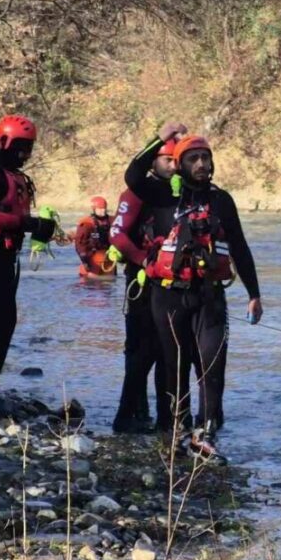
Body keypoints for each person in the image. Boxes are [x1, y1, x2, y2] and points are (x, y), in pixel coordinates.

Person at [124, 123, 262, 463]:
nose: (201, 164)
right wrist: (159, 137)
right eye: (194, 158)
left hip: (210, 296)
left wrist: (254, 294)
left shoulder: (221, 200)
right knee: (175, 366)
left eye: (206, 157)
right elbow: (132, 175)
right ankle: (177, 432)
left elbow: (240, 248)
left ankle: (207, 433)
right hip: (168, 297)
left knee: (213, 366)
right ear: (180, 164)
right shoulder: (163, 196)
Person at [0, 115, 57, 415]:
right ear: (4, 141)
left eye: (29, 147)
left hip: (5, 254)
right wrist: (29, 222)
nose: (24, 153)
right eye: (19, 146)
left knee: (4, 322)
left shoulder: (13, 174)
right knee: (2, 321)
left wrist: (40, 228)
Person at [107, 140, 176, 434]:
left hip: (172, 283)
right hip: (142, 280)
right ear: (154, 162)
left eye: (177, 160)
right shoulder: (136, 191)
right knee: (141, 350)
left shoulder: (180, 192)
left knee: (165, 351)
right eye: (167, 160)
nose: (173, 165)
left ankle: (163, 417)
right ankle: (127, 414)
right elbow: (117, 234)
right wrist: (142, 260)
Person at [74, 196, 116, 278]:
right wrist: (85, 261)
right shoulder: (87, 223)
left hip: (109, 258)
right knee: (91, 284)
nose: (103, 211)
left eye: (104, 208)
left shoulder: (112, 221)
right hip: (92, 260)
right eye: (100, 209)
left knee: (109, 285)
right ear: (94, 209)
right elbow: (80, 244)